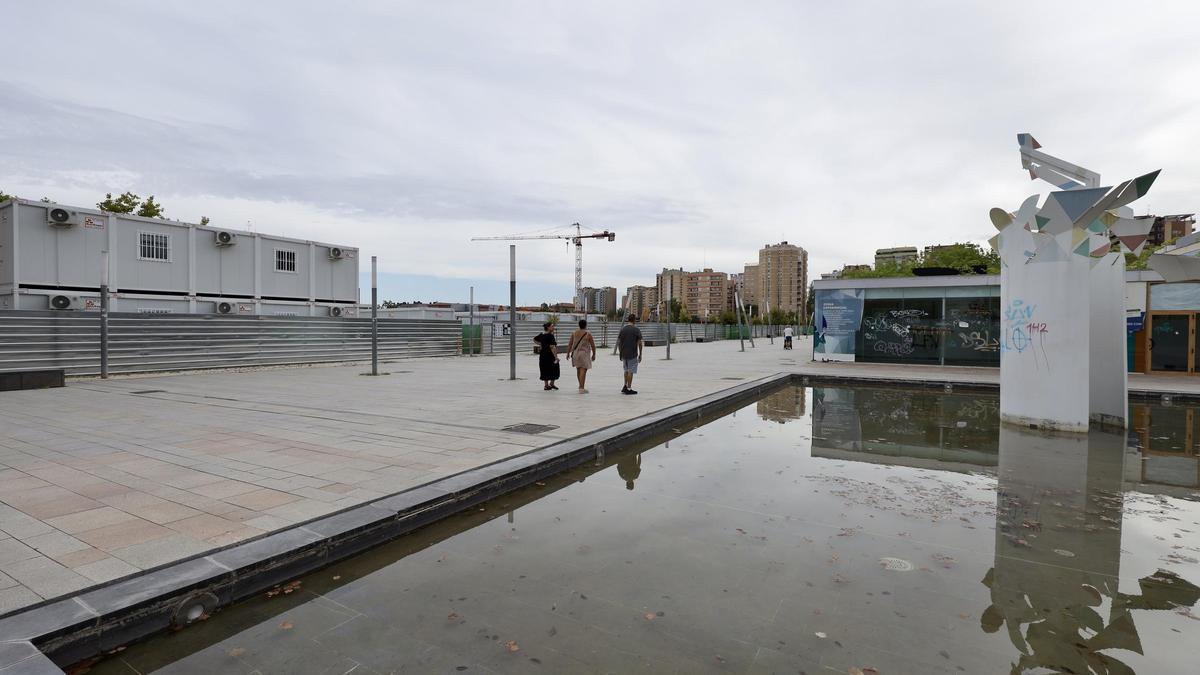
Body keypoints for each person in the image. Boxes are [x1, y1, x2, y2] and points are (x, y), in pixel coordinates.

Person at [566, 319, 597, 393]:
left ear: (579, 325)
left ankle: (580, 386)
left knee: (578, 369)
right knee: (583, 370)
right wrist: (594, 354)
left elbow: (570, 344)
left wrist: (568, 353)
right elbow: (593, 345)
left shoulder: (574, 333)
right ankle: (582, 388)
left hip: (575, 353)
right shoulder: (587, 334)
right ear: (585, 325)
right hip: (584, 354)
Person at [616, 315, 643, 395]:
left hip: (624, 353)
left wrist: (620, 353)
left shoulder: (623, 329)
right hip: (632, 353)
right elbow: (640, 343)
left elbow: (619, 343)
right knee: (630, 371)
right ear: (634, 320)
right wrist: (640, 354)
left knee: (626, 370)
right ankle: (629, 388)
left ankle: (625, 385)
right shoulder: (636, 330)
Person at [533, 322, 559, 390]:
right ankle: (552, 383)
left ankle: (546, 385)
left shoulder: (542, 335)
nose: (553, 328)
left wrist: (541, 344)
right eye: (552, 326)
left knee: (544, 369)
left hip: (543, 355)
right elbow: (552, 347)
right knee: (554, 368)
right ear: (548, 327)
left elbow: (534, 339)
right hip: (550, 356)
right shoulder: (550, 336)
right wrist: (556, 357)